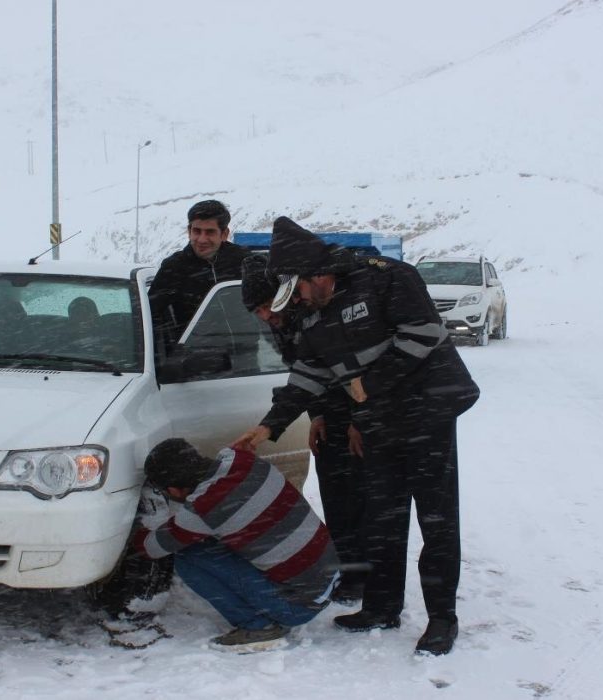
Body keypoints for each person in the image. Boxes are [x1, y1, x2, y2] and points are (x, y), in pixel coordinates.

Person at [233, 216, 480, 657]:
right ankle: (382, 608)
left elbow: (421, 335)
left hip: (427, 415)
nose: (299, 300)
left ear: (320, 275)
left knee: (436, 521)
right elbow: (307, 374)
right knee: (382, 519)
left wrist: (370, 384)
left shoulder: (389, 280)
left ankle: (442, 619)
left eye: (302, 289)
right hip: (380, 421)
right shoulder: (311, 316)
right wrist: (269, 426)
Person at [134, 438, 340, 653]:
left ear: (174, 491)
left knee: (187, 557)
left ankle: (258, 627)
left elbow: (151, 548)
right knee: (217, 538)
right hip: (329, 575)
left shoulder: (204, 508)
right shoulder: (244, 460)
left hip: (298, 607)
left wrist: (134, 528)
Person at [240, 254, 368, 603]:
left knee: (363, 500)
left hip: (361, 410)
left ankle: (370, 579)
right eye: (257, 312)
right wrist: (316, 415)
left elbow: (356, 370)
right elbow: (304, 375)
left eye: (267, 305)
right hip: (326, 411)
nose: (265, 316)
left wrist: (361, 420)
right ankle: (349, 573)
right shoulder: (280, 324)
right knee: (336, 498)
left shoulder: (318, 314)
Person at [148, 199, 250, 351]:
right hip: (196, 360)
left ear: (224, 234)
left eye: (210, 232)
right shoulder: (174, 267)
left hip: (247, 352)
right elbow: (151, 314)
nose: (202, 239)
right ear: (189, 231)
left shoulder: (243, 260)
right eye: (197, 231)